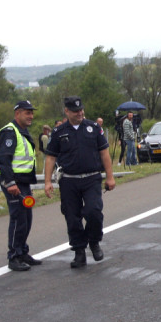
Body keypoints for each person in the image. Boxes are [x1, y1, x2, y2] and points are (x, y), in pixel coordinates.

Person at [43, 96, 116, 268]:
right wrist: (47, 182)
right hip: (69, 181)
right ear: (66, 111)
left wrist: (110, 176)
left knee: (94, 212)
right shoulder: (59, 132)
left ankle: (94, 241)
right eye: (75, 111)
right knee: (72, 217)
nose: (80, 113)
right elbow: (51, 157)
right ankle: (79, 252)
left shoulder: (93, 128)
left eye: (81, 109)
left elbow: (104, 153)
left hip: (91, 178)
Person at [0, 100, 40, 272]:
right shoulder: (9, 132)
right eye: (27, 113)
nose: (31, 116)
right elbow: (4, 160)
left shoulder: (22, 131)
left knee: (27, 218)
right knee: (18, 218)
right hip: (13, 182)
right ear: (17, 114)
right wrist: (10, 183)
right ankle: (14, 256)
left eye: (31, 112)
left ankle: (22, 252)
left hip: (23, 182)